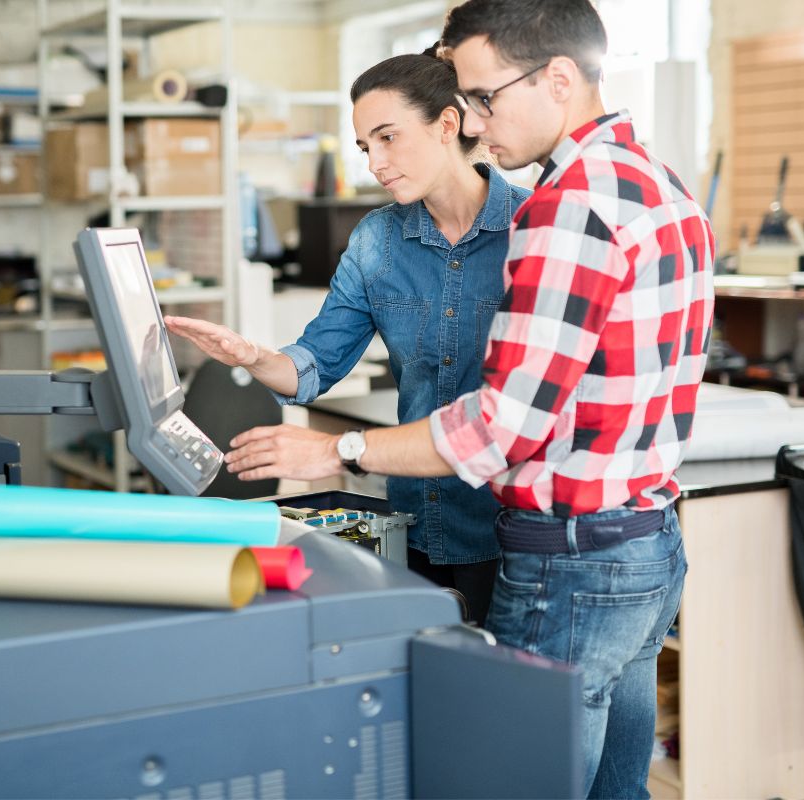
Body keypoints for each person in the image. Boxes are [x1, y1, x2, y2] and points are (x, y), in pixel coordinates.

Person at [221, 1, 716, 797]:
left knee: (506, 777)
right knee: (616, 786)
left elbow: (500, 427)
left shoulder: (561, 209)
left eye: (484, 97)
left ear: (558, 79)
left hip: (568, 558)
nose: (481, 121)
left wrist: (335, 449)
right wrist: (263, 360)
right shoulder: (658, 186)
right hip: (644, 543)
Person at [166, 50, 531, 627]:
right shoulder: (377, 240)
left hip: (512, 532)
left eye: (388, 137)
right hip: (413, 521)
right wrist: (255, 356)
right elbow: (316, 365)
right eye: (366, 147)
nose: (375, 164)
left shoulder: (534, 231)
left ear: (446, 124)